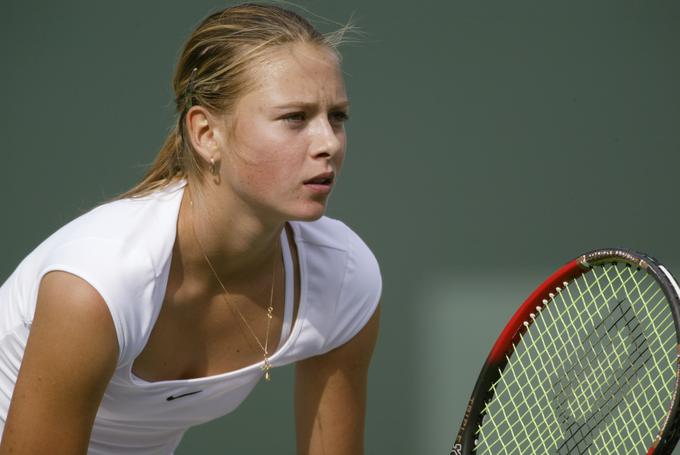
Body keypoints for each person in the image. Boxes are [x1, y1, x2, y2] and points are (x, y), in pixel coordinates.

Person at [0, 3, 381, 454]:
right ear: (206, 134)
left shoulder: (343, 276)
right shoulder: (99, 283)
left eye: (337, 117)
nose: (328, 143)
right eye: (294, 118)